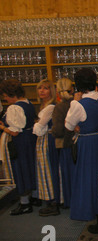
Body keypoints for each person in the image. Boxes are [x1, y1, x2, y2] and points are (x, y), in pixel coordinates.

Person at [65, 68, 98, 234]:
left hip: (89, 144)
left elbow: (68, 126)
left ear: (77, 85)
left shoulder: (77, 105)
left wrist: (80, 127)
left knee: (91, 179)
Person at [0, 79, 37, 215]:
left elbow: (15, 131)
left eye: (5, 96)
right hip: (29, 139)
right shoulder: (27, 103)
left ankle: (24, 203)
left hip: (20, 142)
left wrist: (3, 127)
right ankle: (32, 196)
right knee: (29, 167)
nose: (4, 98)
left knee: (20, 169)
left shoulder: (14, 108)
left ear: (10, 94)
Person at [34, 79, 61, 216]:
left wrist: (36, 124)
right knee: (45, 169)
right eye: (40, 88)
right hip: (44, 139)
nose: (42, 91)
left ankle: (53, 201)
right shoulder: (44, 106)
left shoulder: (50, 107)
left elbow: (38, 129)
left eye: (45, 88)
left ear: (52, 90)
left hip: (47, 140)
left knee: (48, 169)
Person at [51, 78, 75, 208]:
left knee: (67, 175)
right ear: (72, 89)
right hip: (77, 143)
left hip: (65, 145)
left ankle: (70, 202)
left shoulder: (59, 107)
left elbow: (58, 130)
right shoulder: (77, 103)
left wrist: (52, 132)